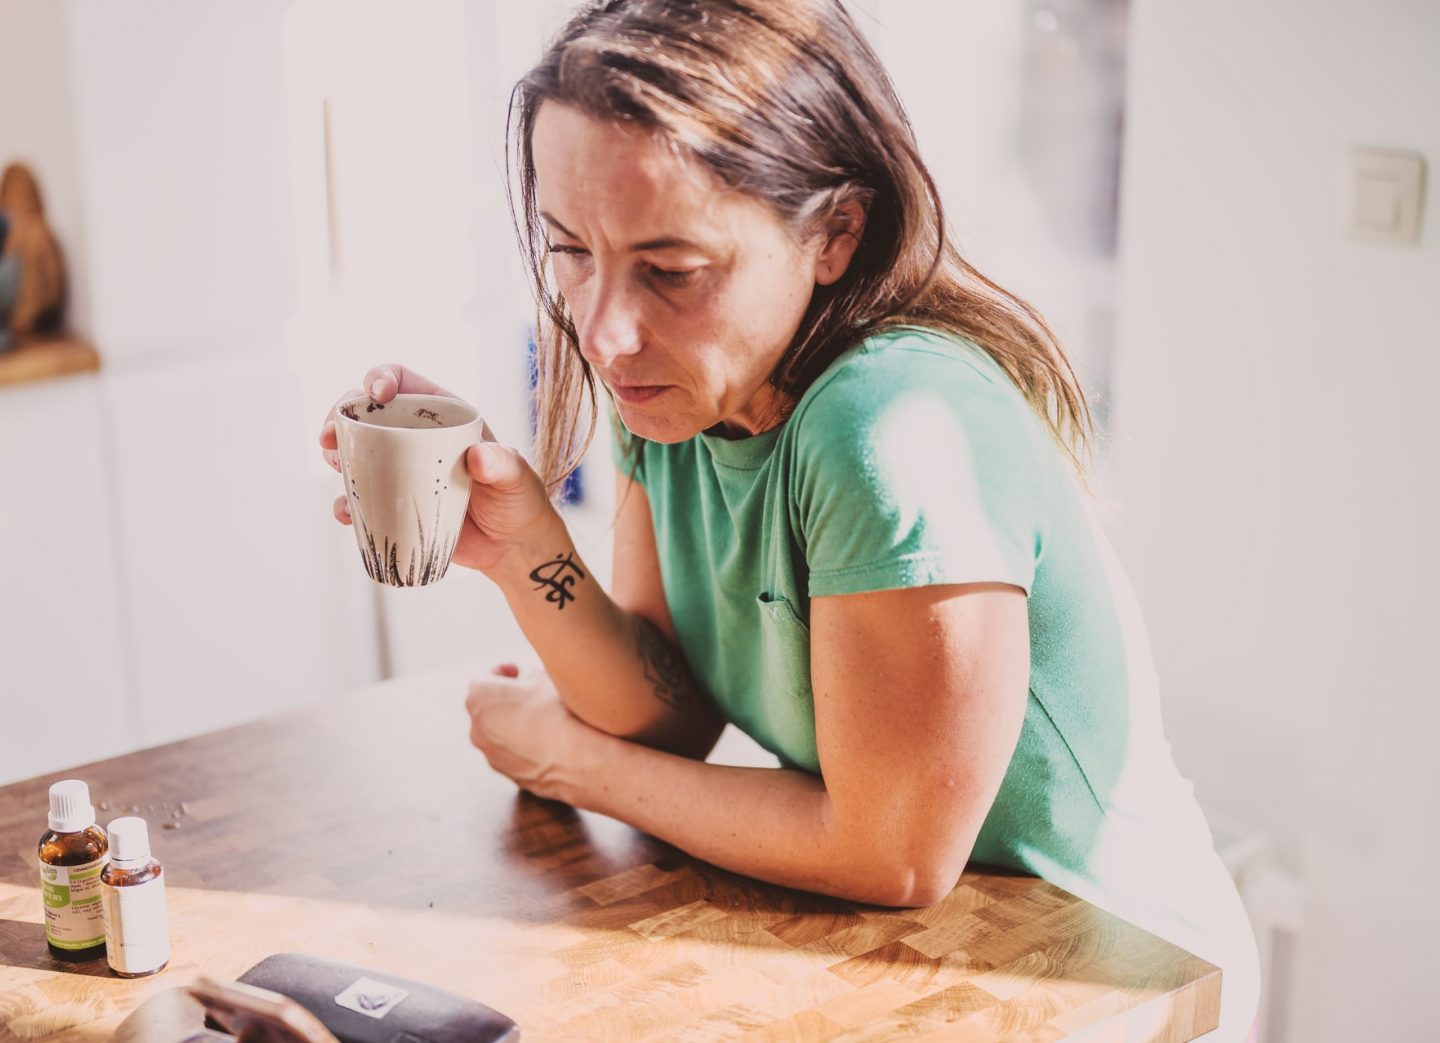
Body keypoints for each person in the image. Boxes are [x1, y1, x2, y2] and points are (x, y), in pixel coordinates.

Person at [318, 2, 1259, 1038]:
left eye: (670, 270)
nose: (601, 330)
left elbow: (889, 851)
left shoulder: (890, 427)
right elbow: (668, 708)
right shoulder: (679, 394)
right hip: (910, 965)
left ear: (833, 237)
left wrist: (568, 761)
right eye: (569, 250)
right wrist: (520, 548)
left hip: (1104, 976)